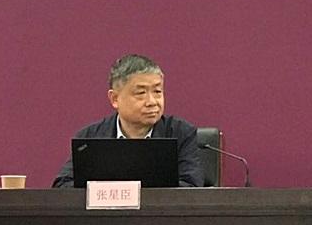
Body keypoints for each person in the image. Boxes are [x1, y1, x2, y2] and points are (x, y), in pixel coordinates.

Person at [51, 54, 204, 188]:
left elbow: (191, 187)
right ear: (115, 98)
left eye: (157, 91)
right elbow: (63, 186)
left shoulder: (181, 133)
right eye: (141, 93)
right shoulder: (90, 137)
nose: (152, 102)